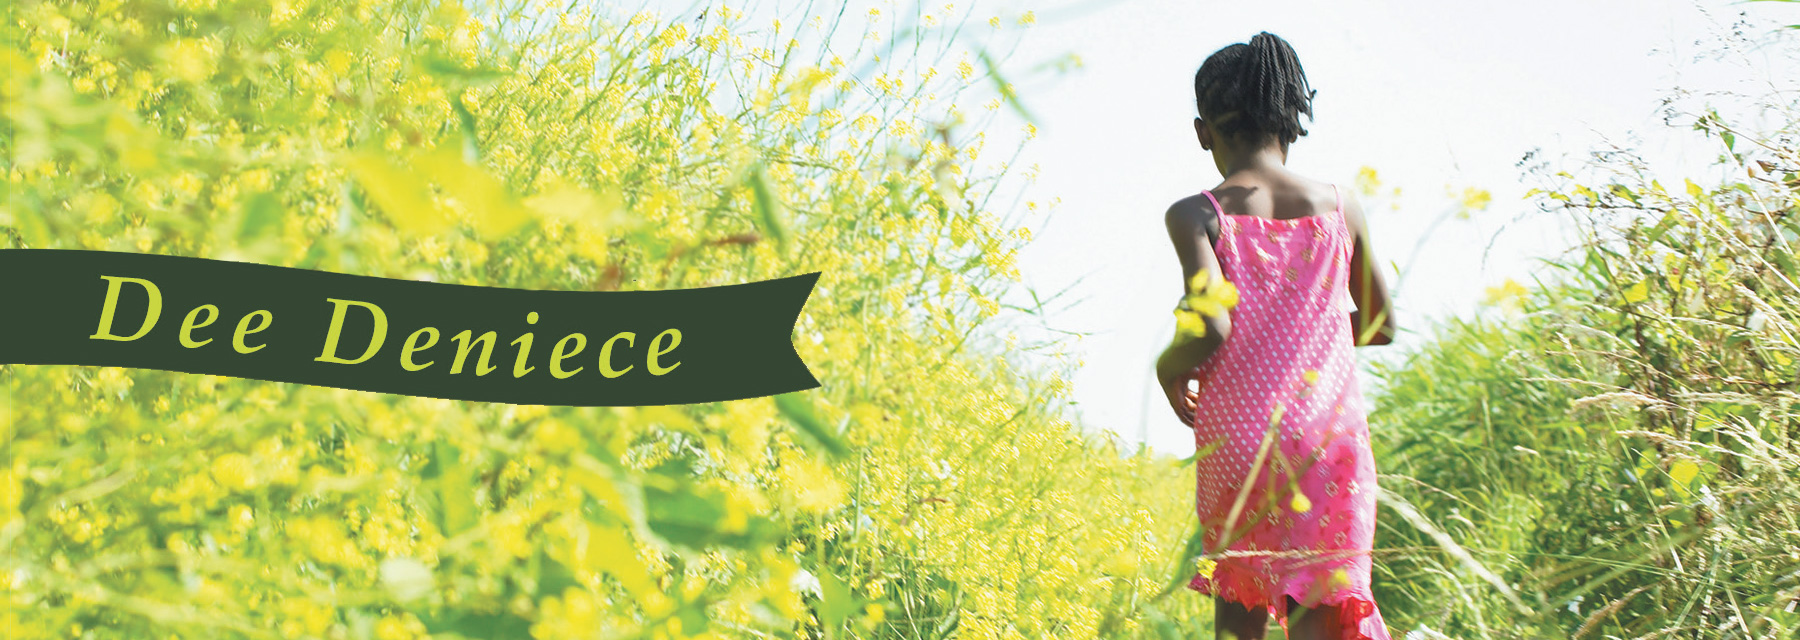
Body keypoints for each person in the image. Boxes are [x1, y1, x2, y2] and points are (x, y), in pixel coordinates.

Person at [1153, 32, 1398, 640]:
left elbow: (1212, 323)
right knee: (1319, 611)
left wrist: (1169, 367)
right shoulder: (1342, 207)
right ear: (1294, 117)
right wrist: (1308, 331)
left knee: (1239, 613)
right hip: (1328, 442)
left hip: (1240, 441)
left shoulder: (1197, 214)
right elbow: (1379, 323)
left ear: (1203, 131)